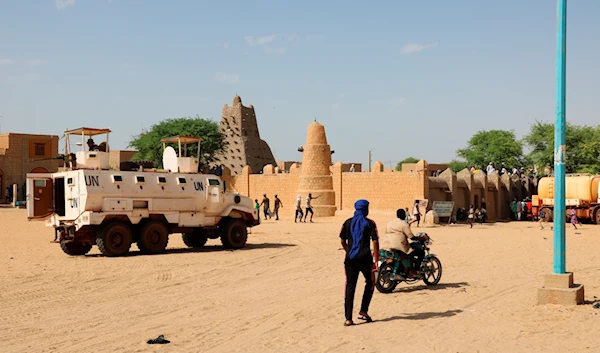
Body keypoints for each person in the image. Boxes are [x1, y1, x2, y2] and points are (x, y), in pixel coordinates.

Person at [339, 199, 379, 327]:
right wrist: (376, 260)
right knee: (370, 282)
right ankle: (363, 310)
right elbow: (375, 241)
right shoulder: (370, 223)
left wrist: (349, 251)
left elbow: (342, 241)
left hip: (350, 259)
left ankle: (348, 319)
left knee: (350, 287)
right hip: (365, 259)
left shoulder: (347, 222)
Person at [381, 208, 422, 278]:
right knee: (419, 252)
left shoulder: (390, 223)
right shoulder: (404, 224)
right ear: (404, 216)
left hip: (386, 244)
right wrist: (421, 238)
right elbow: (411, 237)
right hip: (398, 246)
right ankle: (413, 271)